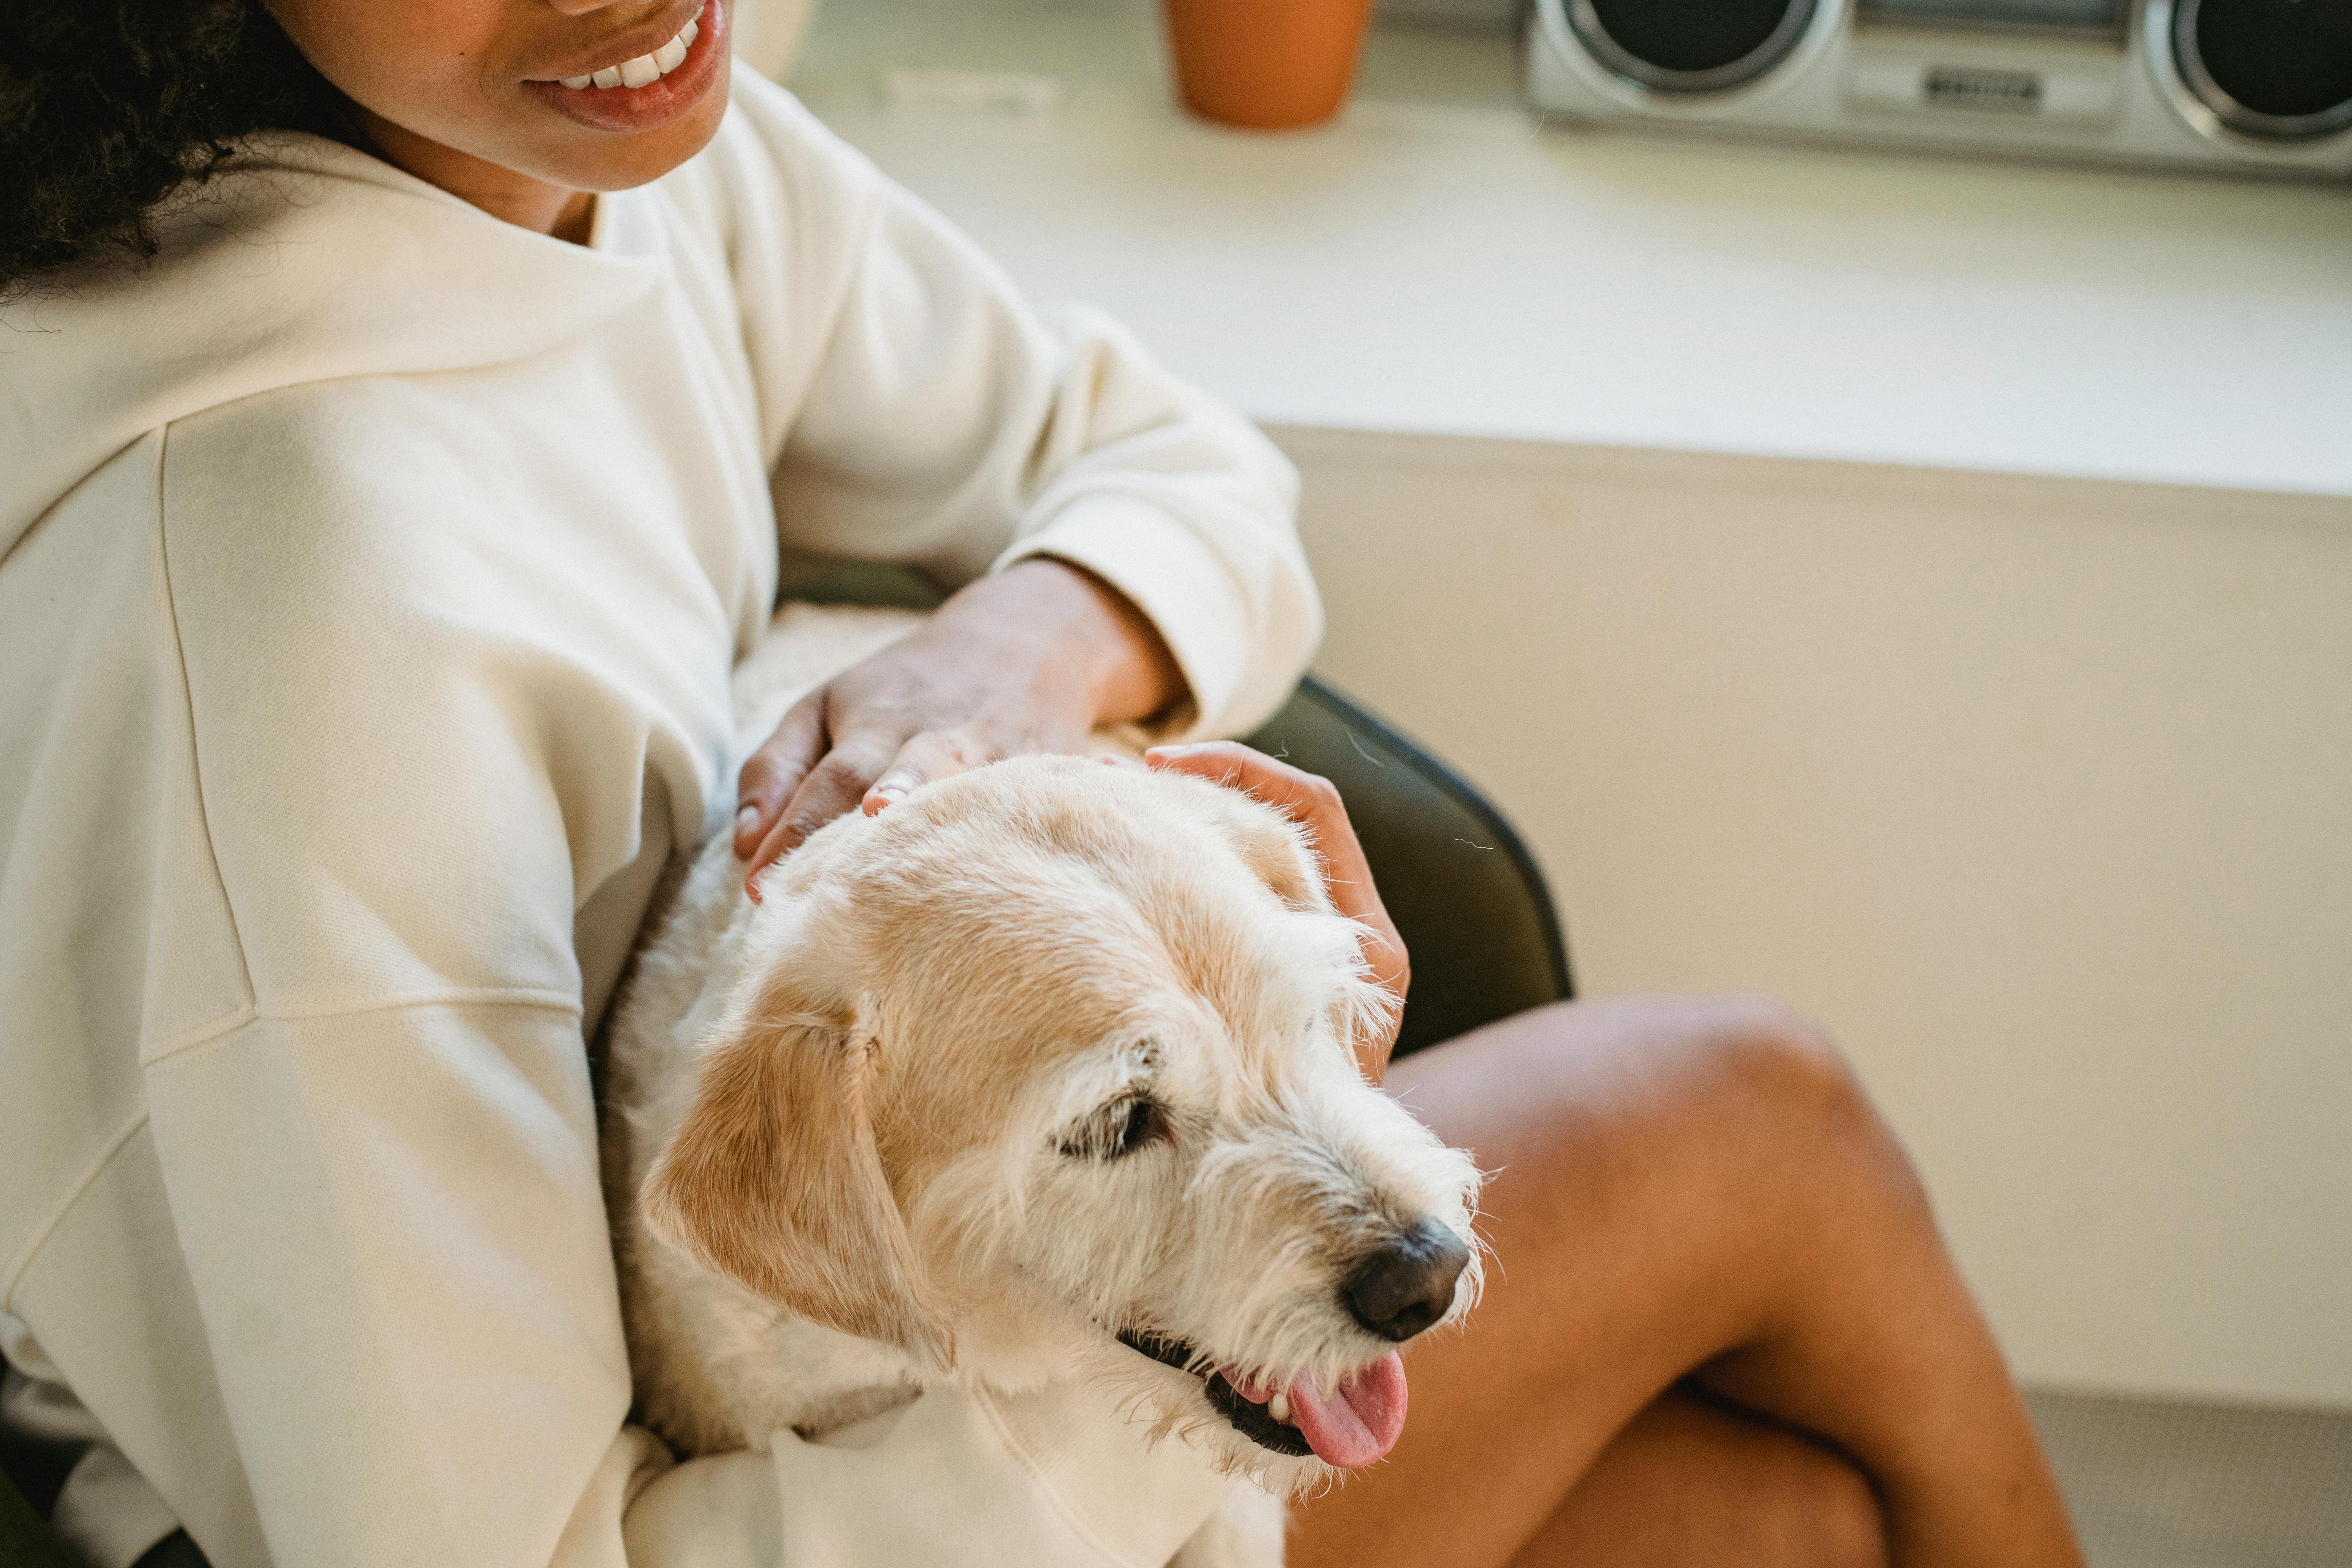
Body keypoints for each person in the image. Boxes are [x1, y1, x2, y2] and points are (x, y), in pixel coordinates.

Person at [0, 2, 2082, 1565]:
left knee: (1787, 1526)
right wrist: (1183, 1354)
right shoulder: (278, 622)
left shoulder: (603, 157)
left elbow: (1168, 455)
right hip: (649, 1497)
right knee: (1754, 1116)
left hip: (836, 1356)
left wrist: (1030, 645)